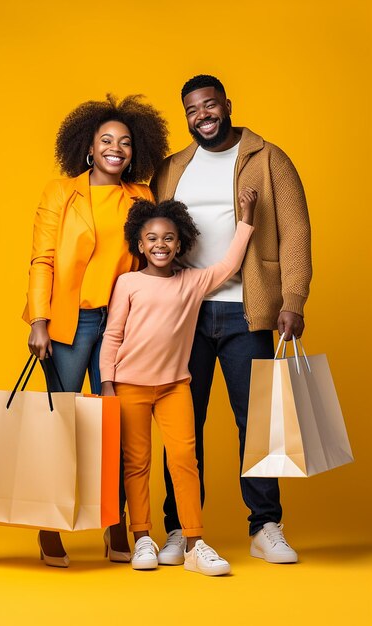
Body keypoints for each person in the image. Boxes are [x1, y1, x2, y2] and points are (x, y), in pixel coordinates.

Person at [151, 74, 312, 565]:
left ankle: (265, 526)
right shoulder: (174, 166)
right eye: (193, 110)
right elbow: (153, 231)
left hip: (248, 310)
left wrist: (294, 299)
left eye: (210, 105)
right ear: (187, 116)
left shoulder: (269, 158)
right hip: (184, 314)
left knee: (257, 424)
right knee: (182, 424)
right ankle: (179, 528)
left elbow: (297, 231)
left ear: (226, 105)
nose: (203, 115)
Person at [23, 94, 168, 567]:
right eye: (107, 140)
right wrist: (40, 321)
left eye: (125, 143)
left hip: (122, 325)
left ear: (135, 151)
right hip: (71, 323)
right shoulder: (59, 193)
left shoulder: (141, 196)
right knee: (62, 427)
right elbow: (43, 258)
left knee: (116, 426)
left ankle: (116, 526)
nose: (116, 149)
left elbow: (154, 257)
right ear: (88, 146)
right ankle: (50, 525)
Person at [99, 189, 255, 575]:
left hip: (174, 387)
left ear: (181, 242)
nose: (160, 245)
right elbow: (112, 336)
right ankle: (142, 540)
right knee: (136, 464)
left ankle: (194, 543)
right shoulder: (128, 283)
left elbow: (230, 266)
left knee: (185, 460)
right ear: (139, 243)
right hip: (129, 386)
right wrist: (107, 382)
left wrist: (247, 220)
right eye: (151, 238)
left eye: (168, 238)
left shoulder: (192, 282)